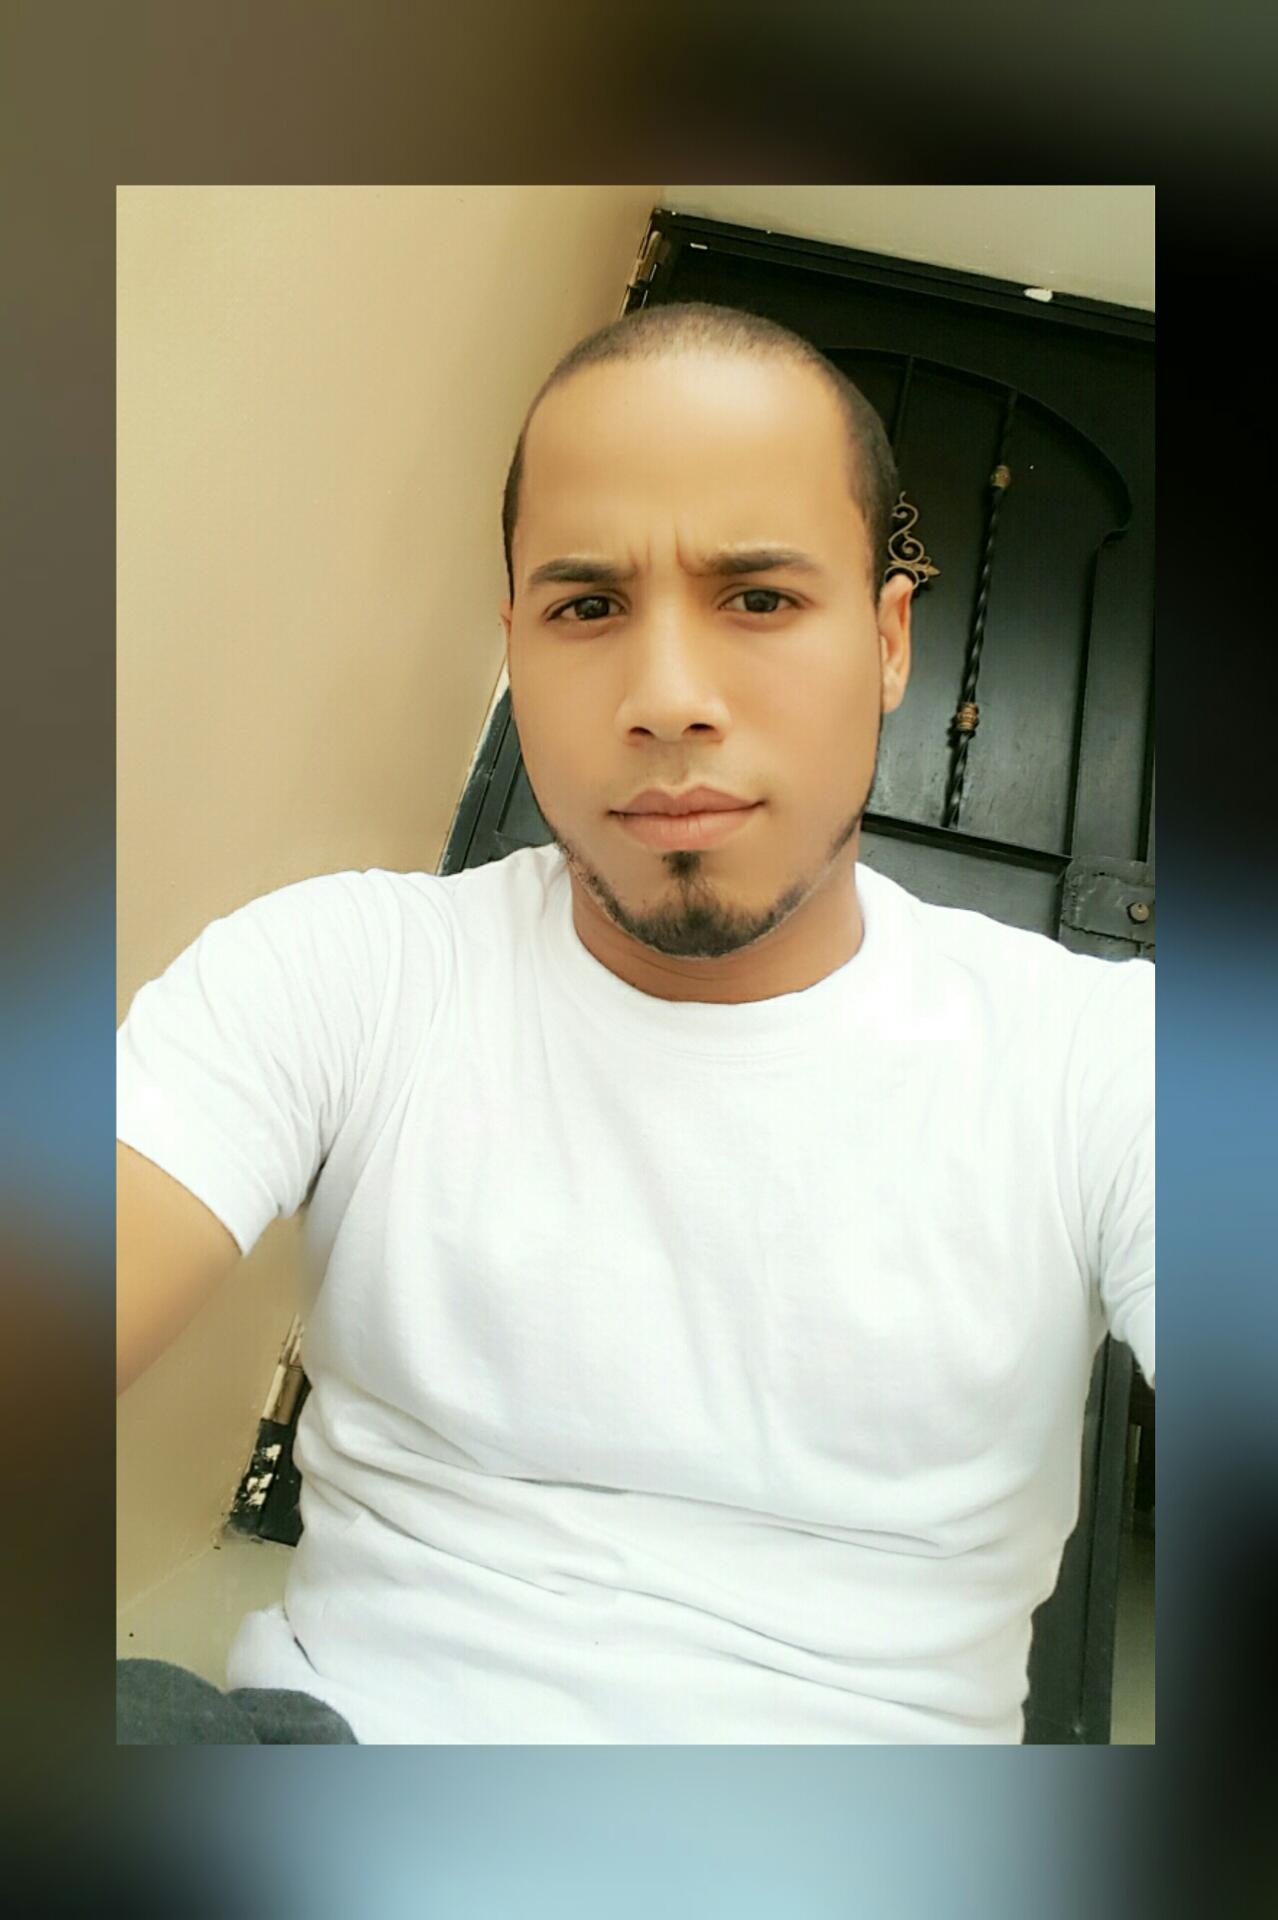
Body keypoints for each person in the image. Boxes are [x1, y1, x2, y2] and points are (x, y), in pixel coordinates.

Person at [116, 301, 1154, 1745]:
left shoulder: (1101, 1064)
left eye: (759, 598)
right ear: (515, 651)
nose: (667, 700)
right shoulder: (347, 974)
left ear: (888, 640)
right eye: (588, 608)